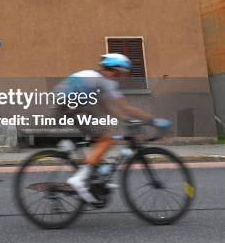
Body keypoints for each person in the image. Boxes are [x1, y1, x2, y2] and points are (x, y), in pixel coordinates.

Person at [55, 53, 171, 203]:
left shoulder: (96, 78)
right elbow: (125, 107)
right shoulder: (105, 81)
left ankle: (94, 177)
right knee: (107, 140)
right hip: (73, 105)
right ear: (116, 69)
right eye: (122, 73)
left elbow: (109, 108)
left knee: (104, 134)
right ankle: (78, 180)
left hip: (67, 104)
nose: (121, 77)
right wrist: (153, 121)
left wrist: (128, 120)